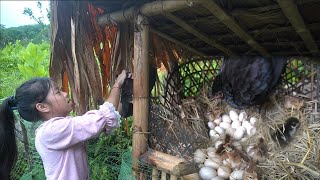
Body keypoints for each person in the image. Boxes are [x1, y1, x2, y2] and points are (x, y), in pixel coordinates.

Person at [0, 70, 129, 180]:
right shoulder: (52, 131)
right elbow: (100, 119)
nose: (65, 93)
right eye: (58, 92)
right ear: (42, 107)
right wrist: (117, 85)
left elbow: (100, 124)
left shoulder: (59, 127)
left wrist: (124, 99)